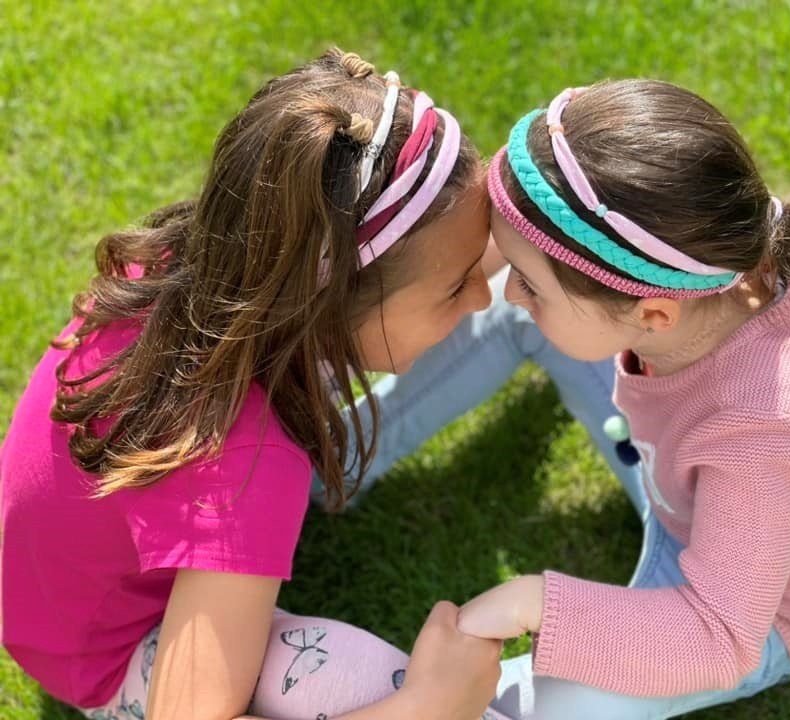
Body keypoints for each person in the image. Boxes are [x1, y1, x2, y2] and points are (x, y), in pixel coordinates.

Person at [344, 80, 790, 719]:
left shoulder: (763, 433)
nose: (508, 292)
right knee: (531, 315)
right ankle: (331, 457)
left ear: (653, 315)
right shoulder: (704, 269)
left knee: (526, 710)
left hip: (751, 616)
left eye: (529, 284)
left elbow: (718, 638)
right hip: (688, 494)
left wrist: (535, 603)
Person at [0, 48, 505, 720]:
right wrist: (428, 707)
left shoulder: (227, 269)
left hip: (52, 592)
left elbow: (429, 252)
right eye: (456, 287)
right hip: (108, 658)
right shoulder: (244, 461)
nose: (481, 296)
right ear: (334, 304)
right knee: (340, 677)